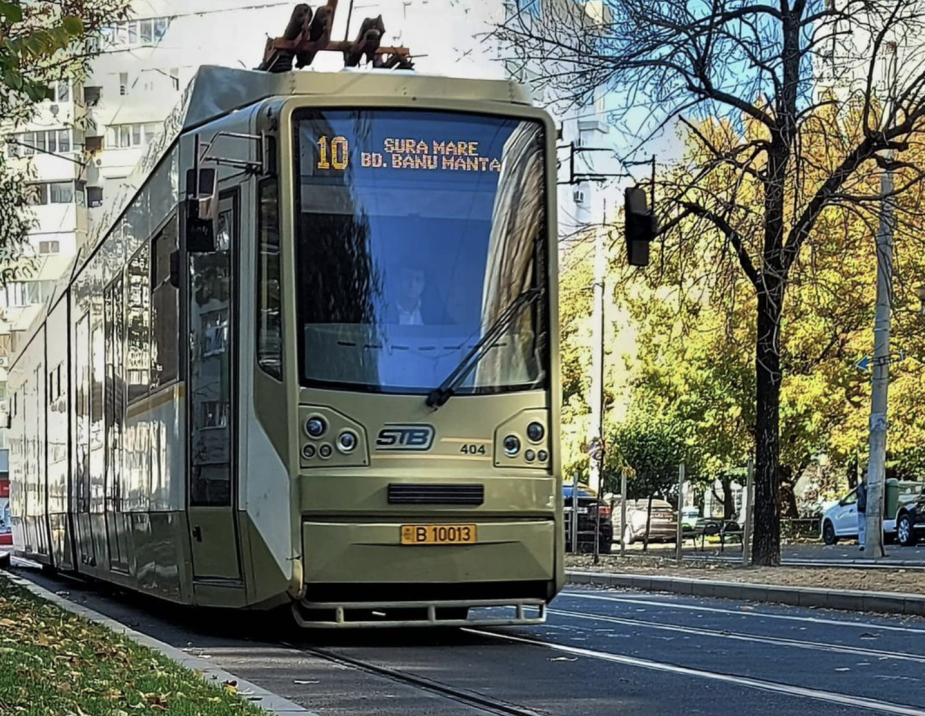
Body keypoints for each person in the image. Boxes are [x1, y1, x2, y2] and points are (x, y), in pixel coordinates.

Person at [386, 262, 452, 325]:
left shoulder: (435, 312)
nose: (413, 284)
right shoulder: (384, 310)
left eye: (418, 279)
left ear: (424, 283)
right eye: (408, 278)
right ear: (396, 281)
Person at [857, 474, 868, 552]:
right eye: (865, 477)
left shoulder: (871, 487)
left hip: (868, 509)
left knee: (867, 526)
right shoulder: (860, 487)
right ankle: (862, 543)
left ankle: (867, 542)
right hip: (861, 508)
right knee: (861, 526)